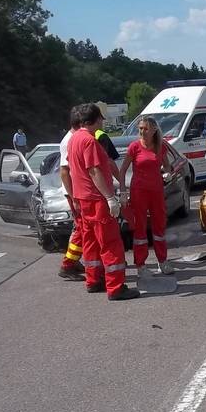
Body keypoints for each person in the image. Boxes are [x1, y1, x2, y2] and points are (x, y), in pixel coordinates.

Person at [67, 103, 139, 301]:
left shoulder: (74, 139)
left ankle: (93, 280)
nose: (103, 122)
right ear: (96, 119)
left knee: (90, 242)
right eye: (101, 118)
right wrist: (109, 197)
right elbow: (94, 171)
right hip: (96, 199)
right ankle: (116, 287)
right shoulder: (89, 141)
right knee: (110, 243)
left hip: (83, 198)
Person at [119, 116, 173, 271]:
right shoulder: (134, 147)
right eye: (140, 128)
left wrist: (167, 173)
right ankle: (140, 264)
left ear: (154, 130)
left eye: (145, 128)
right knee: (140, 227)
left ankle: (162, 261)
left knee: (159, 226)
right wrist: (123, 192)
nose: (142, 131)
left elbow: (167, 166)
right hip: (139, 192)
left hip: (156, 191)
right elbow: (122, 171)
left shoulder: (160, 146)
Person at [57, 106, 86, 280]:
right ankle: (68, 265)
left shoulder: (73, 138)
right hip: (75, 193)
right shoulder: (70, 140)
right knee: (82, 229)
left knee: (81, 228)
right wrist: (73, 196)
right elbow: (64, 171)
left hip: (78, 192)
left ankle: (73, 261)